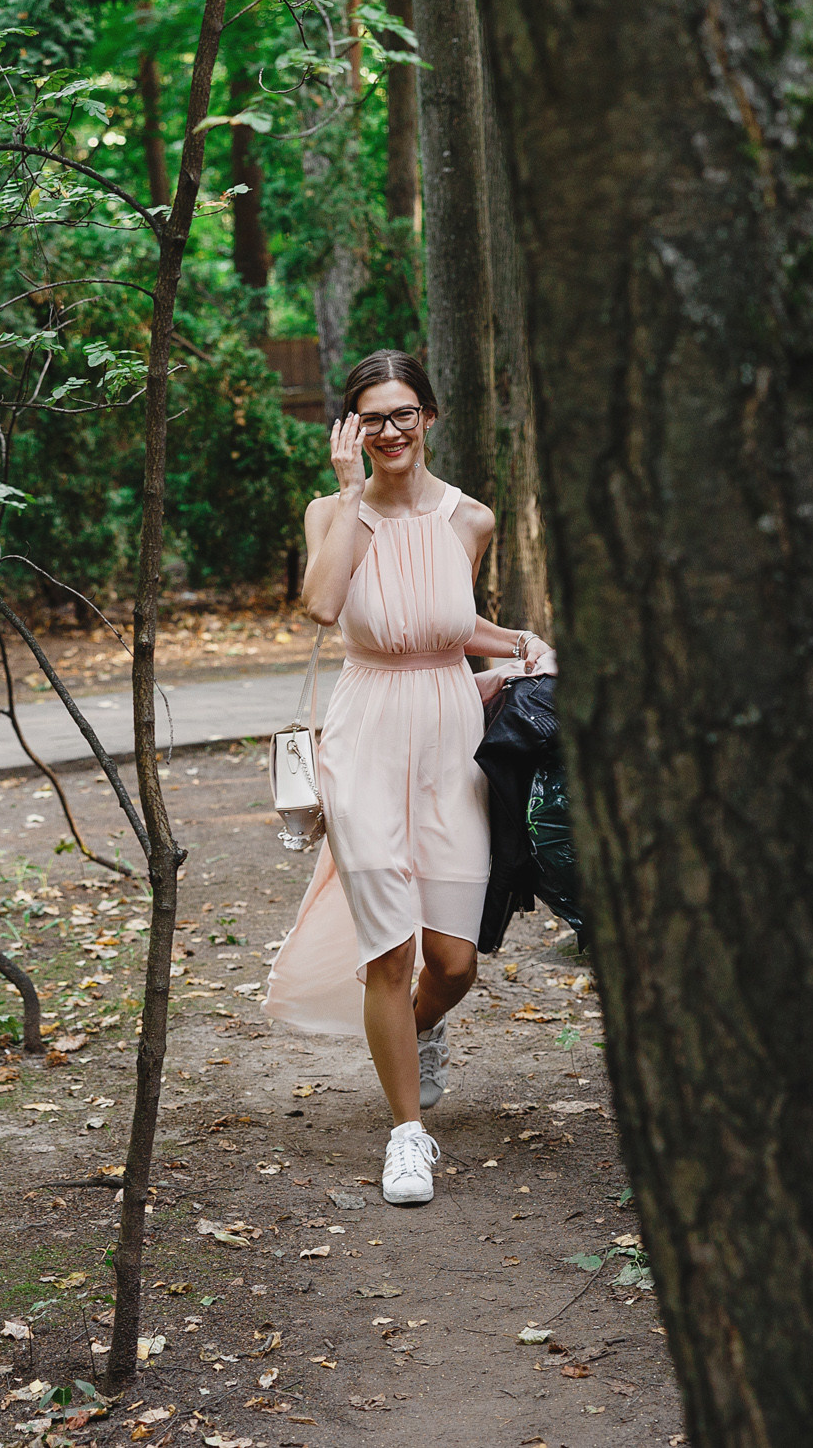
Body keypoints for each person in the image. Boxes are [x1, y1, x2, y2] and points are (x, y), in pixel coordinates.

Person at [261, 351, 552, 1205]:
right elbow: (322, 606)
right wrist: (350, 492)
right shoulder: (332, 510)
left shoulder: (471, 519)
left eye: (404, 414)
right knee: (389, 950)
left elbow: (445, 621)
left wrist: (518, 644)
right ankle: (407, 1136)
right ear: (351, 428)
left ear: (430, 417)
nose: (390, 431)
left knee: (454, 962)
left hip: (450, 736)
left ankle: (414, 1032)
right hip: (365, 735)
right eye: (371, 418)